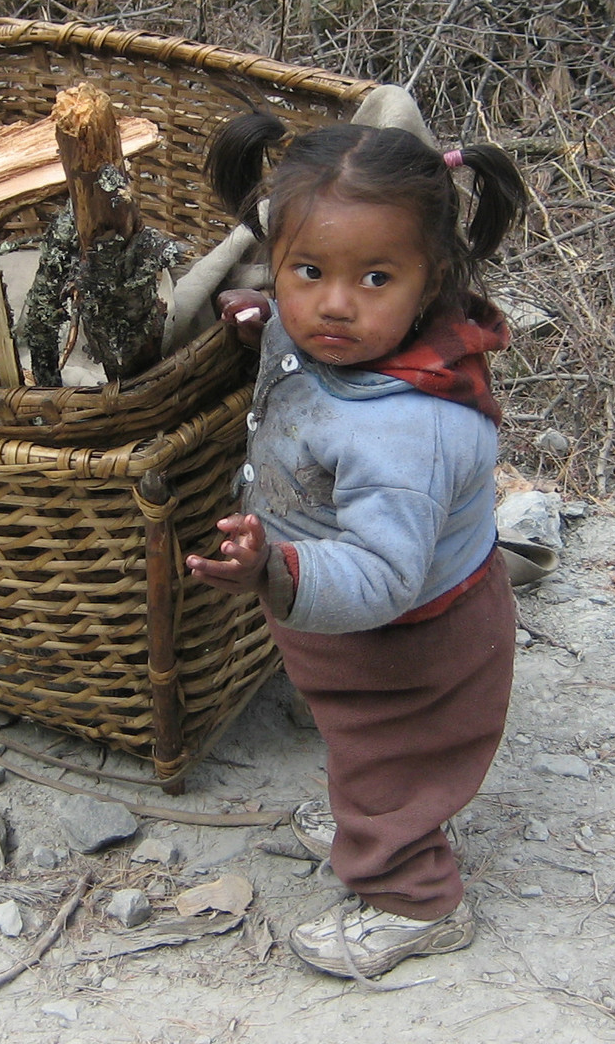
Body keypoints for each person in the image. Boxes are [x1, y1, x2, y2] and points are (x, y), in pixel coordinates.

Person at [184, 107, 529, 981]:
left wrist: (274, 567)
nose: (333, 304)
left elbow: (381, 573)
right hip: (342, 625)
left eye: (374, 277)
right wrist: (266, 320)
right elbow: (309, 341)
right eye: (307, 271)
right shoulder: (331, 341)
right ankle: (371, 815)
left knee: (392, 761)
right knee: (363, 749)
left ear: (433, 279)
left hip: (408, 644)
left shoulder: (405, 432)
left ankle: (417, 901)